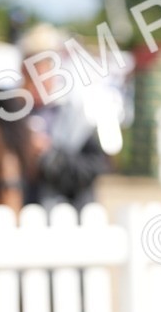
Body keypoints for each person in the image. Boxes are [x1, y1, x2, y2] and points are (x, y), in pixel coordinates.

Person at [17, 24, 120, 209]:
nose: (37, 80)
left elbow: (94, 168)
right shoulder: (9, 118)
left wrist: (49, 155)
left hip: (68, 216)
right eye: (31, 73)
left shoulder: (76, 117)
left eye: (43, 71)